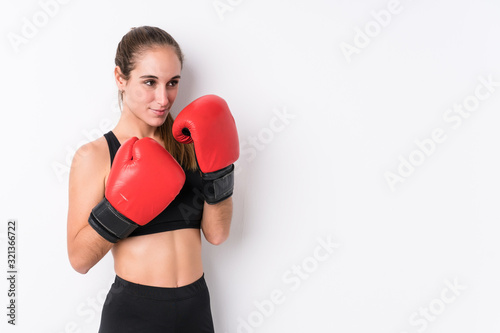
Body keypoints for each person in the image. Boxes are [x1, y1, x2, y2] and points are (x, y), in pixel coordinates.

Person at [66, 26, 239, 332]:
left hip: (196, 308)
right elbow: (79, 260)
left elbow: (217, 234)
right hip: (134, 313)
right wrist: (120, 209)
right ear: (121, 78)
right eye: (150, 82)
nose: (164, 98)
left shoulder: (190, 145)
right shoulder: (95, 155)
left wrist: (219, 172)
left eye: (172, 83)